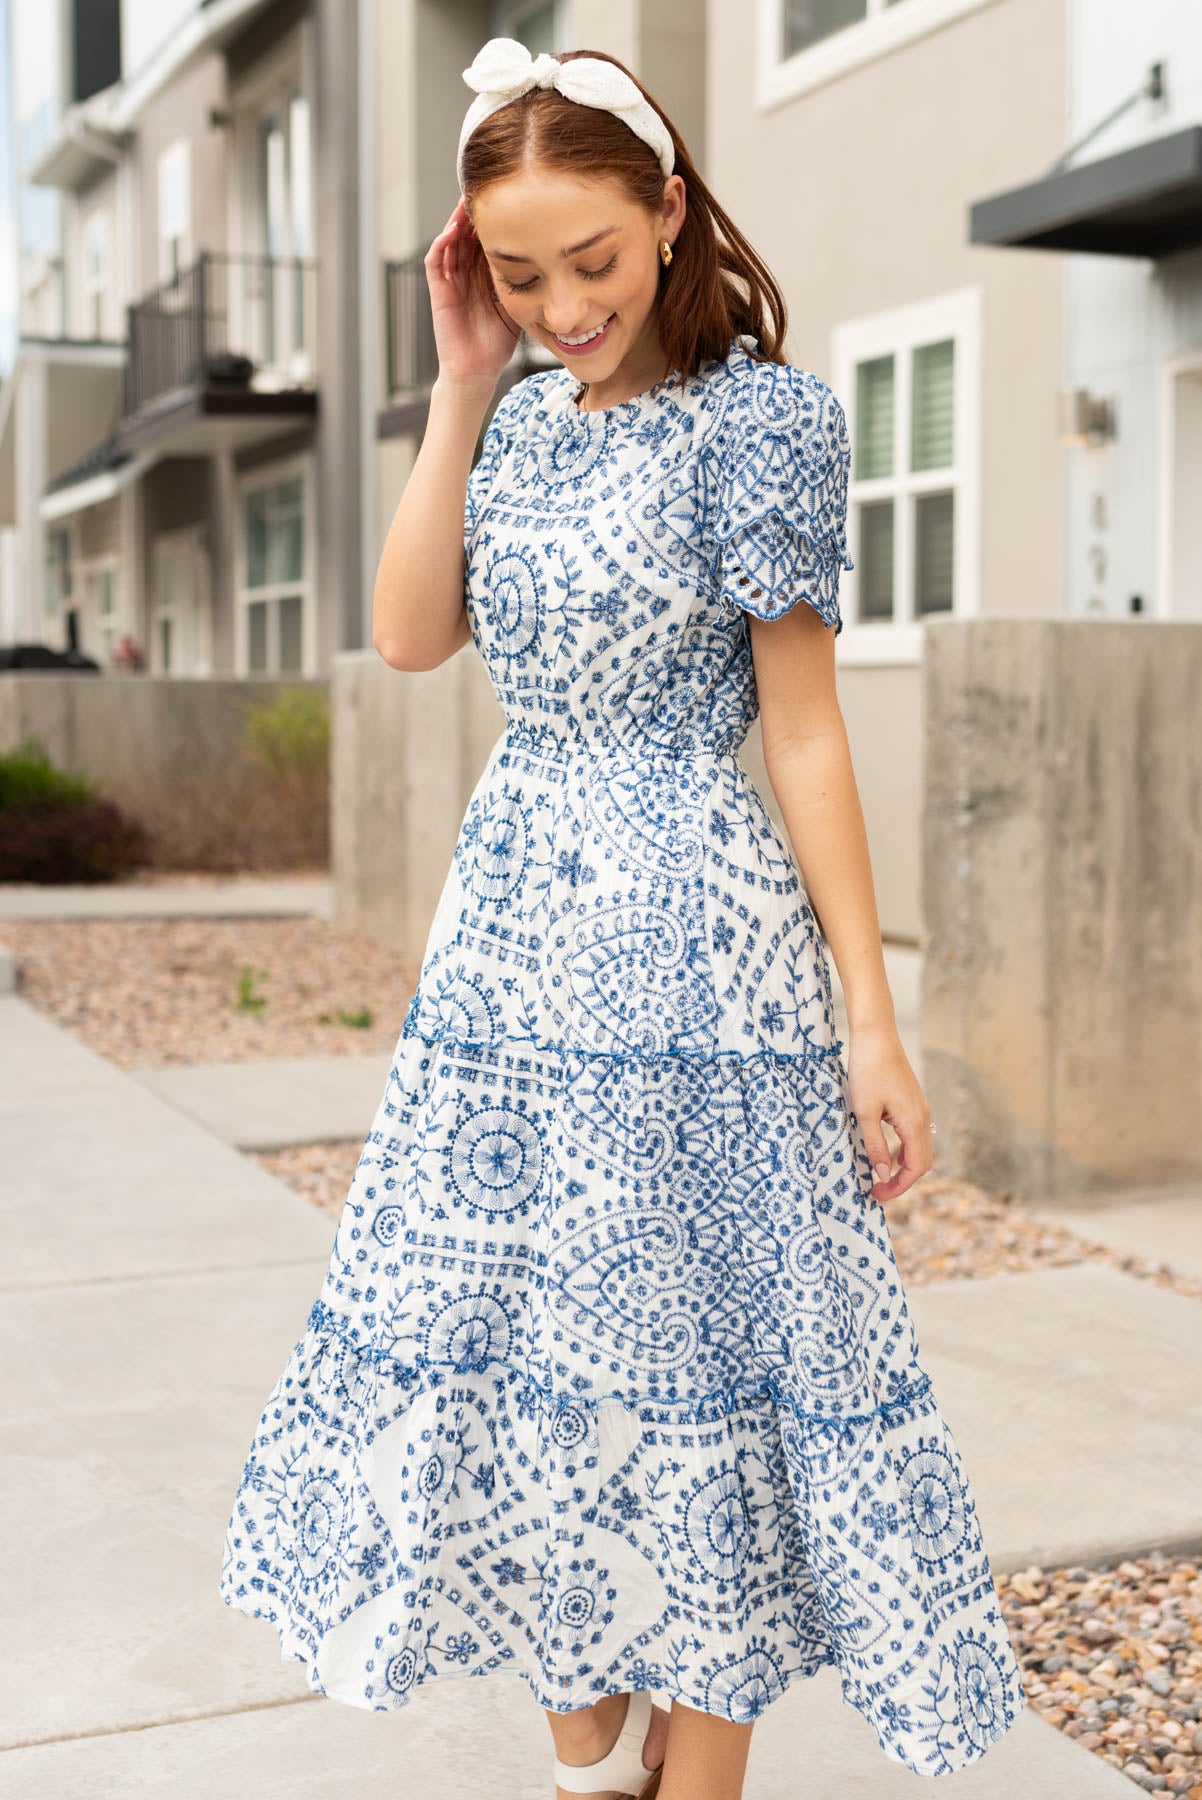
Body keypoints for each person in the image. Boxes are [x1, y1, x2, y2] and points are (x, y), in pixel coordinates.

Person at [219, 38, 1026, 1800]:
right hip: (510, 937)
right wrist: (456, 379)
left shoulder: (767, 421)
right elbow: (415, 634)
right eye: (521, 273)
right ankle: (592, 1737)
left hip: (698, 930)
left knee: (711, 1345)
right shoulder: (507, 418)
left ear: (669, 216)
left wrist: (867, 1024)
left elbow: (803, 731)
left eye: (590, 258)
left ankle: (704, 1765)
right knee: (519, 1330)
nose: (563, 302)